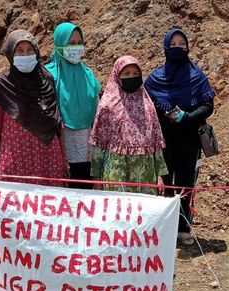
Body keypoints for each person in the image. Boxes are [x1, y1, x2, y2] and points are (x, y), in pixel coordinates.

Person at [144, 28, 216, 245]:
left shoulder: (196, 76)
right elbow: (146, 104)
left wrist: (187, 116)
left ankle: (184, 227)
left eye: (181, 44)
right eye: (173, 44)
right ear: (166, 47)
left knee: (186, 181)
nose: (177, 48)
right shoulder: (155, 78)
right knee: (166, 182)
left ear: (188, 47)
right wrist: (163, 111)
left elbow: (208, 105)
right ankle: (166, 227)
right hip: (165, 138)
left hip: (189, 139)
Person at [0, 30, 67, 187]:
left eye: (30, 50)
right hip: (15, 160)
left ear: (36, 52)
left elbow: (58, 122)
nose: (25, 55)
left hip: (48, 157)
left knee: (48, 206)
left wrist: (64, 158)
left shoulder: (47, 79)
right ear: (11, 54)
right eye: (20, 50)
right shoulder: (1, 84)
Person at [89, 55, 167, 195]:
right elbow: (99, 143)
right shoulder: (107, 105)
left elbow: (156, 142)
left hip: (145, 172)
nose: (132, 77)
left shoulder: (147, 105)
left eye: (136, 74)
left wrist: (160, 175)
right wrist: (96, 177)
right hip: (116, 171)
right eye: (126, 74)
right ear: (117, 76)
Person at [45, 22, 100, 189]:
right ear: (59, 44)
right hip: (61, 151)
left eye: (79, 43)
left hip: (87, 150)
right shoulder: (48, 75)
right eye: (70, 43)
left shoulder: (89, 75)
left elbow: (98, 113)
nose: (76, 48)